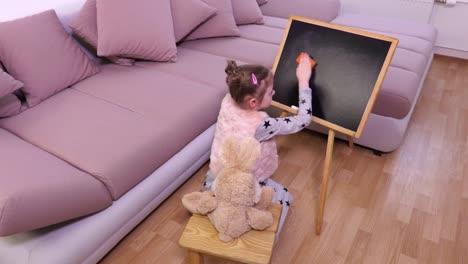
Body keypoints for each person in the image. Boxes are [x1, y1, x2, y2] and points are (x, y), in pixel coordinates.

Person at [203, 54, 314, 235]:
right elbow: (303, 120)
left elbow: (250, 83)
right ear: (253, 102)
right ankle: (263, 243)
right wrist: (303, 81)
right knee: (286, 197)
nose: (274, 93)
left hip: (213, 181)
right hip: (237, 191)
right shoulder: (261, 125)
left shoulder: (229, 100)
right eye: (271, 92)